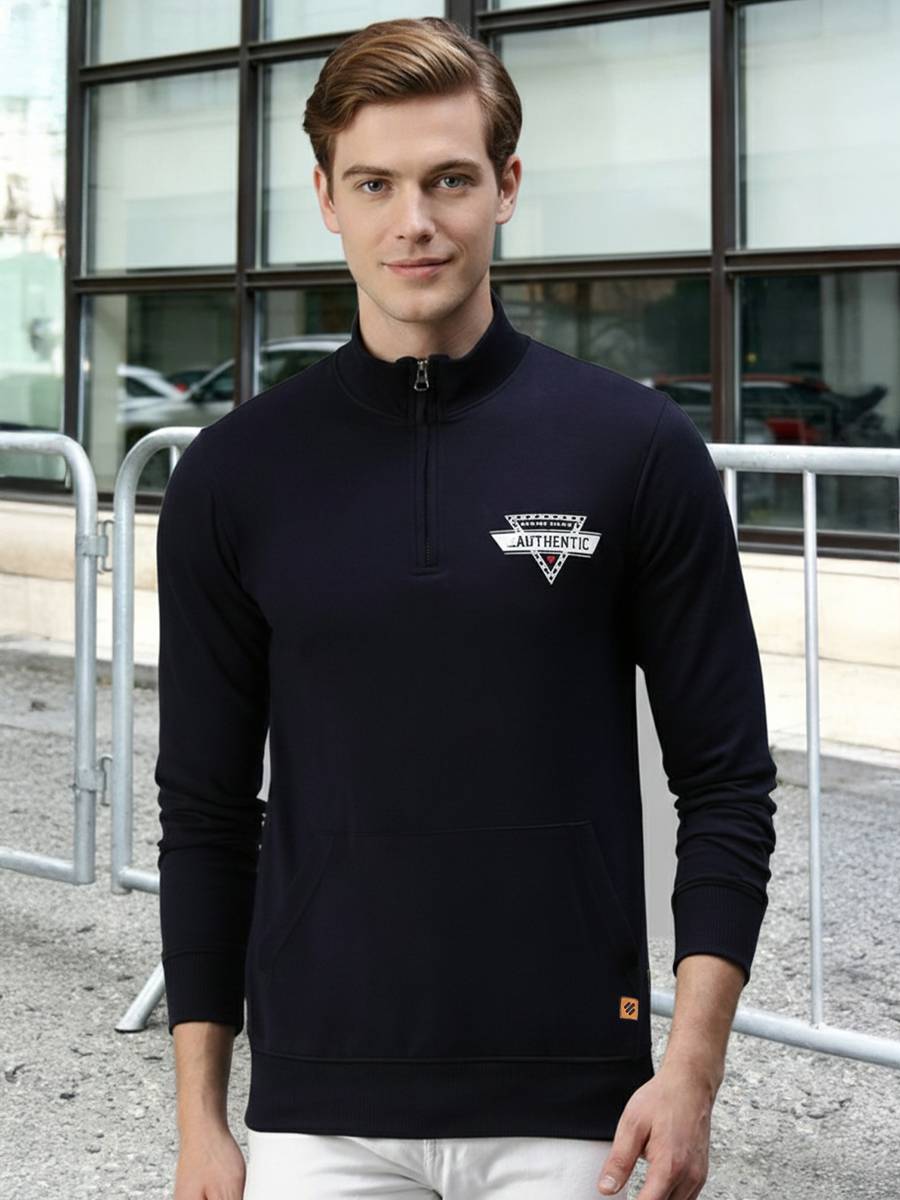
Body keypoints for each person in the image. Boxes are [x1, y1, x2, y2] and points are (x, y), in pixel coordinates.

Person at [154, 16, 778, 1200]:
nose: (416, 222)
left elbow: (728, 784)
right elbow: (205, 810)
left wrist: (690, 1077)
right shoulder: (235, 476)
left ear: (507, 187)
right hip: (318, 1110)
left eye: (449, 179)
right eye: (374, 184)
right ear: (326, 199)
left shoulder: (635, 449)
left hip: (578, 1106)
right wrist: (200, 1120)